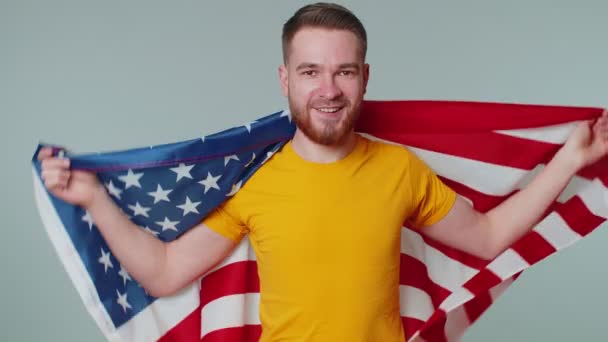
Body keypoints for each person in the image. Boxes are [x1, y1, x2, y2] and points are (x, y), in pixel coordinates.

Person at [37, 3, 608, 342]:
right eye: (311, 71)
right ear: (286, 79)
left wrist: (570, 160)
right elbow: (163, 273)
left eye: (344, 72)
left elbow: (486, 237)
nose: (328, 90)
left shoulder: (399, 169)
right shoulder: (256, 181)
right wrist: (93, 199)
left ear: (365, 77)